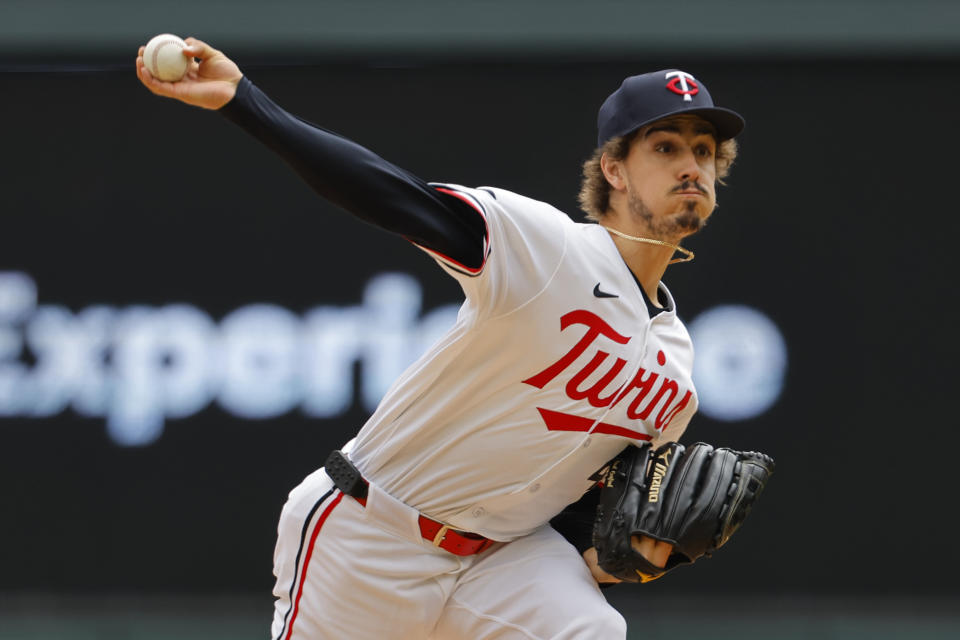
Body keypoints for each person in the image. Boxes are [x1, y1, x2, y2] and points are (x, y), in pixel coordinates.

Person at [136, 38, 743, 640]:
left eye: (705, 151)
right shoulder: (548, 249)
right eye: (664, 147)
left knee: (590, 630)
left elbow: (584, 524)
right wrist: (246, 102)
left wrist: (632, 556)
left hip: (501, 558)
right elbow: (393, 197)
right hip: (373, 533)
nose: (692, 166)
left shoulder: (675, 372)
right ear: (613, 168)